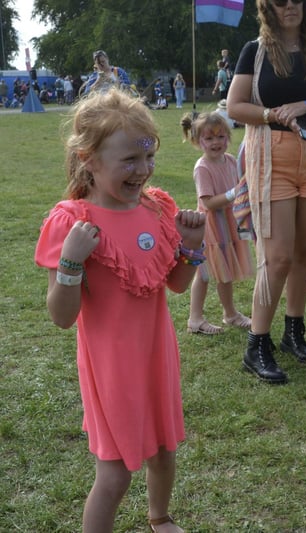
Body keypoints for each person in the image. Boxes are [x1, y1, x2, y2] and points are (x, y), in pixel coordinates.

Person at [34, 89, 205, 533]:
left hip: (156, 355)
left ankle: (160, 518)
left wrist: (190, 247)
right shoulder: (71, 221)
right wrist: (71, 262)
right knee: (114, 474)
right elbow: (60, 316)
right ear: (88, 158)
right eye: (129, 159)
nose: (143, 170)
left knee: (165, 450)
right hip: (111, 368)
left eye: (149, 156)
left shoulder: (157, 208)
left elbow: (176, 285)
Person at [227, 0, 306, 383]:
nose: (290, 7)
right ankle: (257, 343)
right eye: (280, 2)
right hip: (271, 157)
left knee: (304, 250)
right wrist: (271, 113)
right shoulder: (256, 51)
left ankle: (293, 331)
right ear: (268, 9)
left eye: (297, 0)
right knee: (277, 256)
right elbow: (235, 106)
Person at [180, 112, 254, 335]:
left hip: (228, 226)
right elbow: (209, 203)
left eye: (221, 136)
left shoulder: (231, 160)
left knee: (225, 271)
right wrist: (234, 193)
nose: (216, 142)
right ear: (197, 141)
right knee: (203, 275)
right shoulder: (202, 168)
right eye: (209, 138)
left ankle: (230, 314)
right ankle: (195, 319)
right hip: (209, 229)